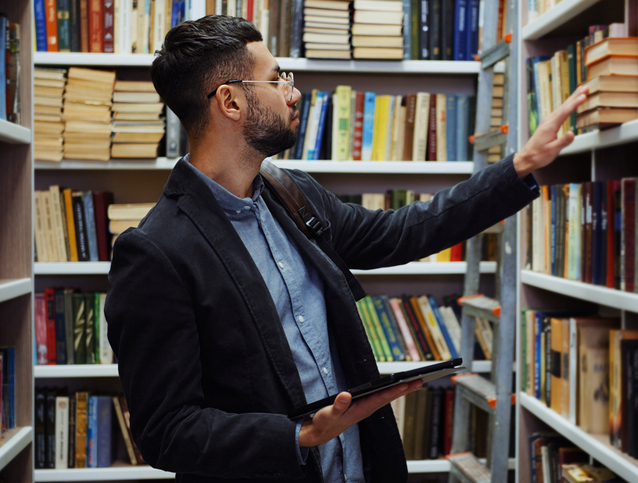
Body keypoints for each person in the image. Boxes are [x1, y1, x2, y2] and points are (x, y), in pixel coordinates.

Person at [105, 15, 588, 483]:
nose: (293, 93)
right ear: (230, 101)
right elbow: (166, 431)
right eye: (277, 80)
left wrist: (520, 166)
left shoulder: (291, 194)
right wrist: (299, 434)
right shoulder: (155, 251)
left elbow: (401, 231)